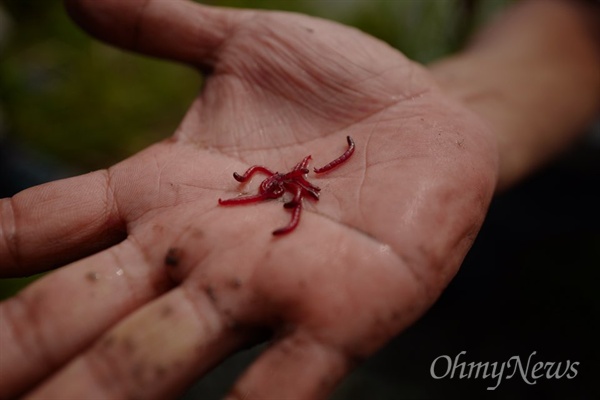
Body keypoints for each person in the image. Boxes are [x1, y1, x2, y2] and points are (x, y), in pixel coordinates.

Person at [0, 0, 598, 398]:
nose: (294, 189)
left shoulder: (295, 185)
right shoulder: (287, 184)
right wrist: (453, 113)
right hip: (517, 189)